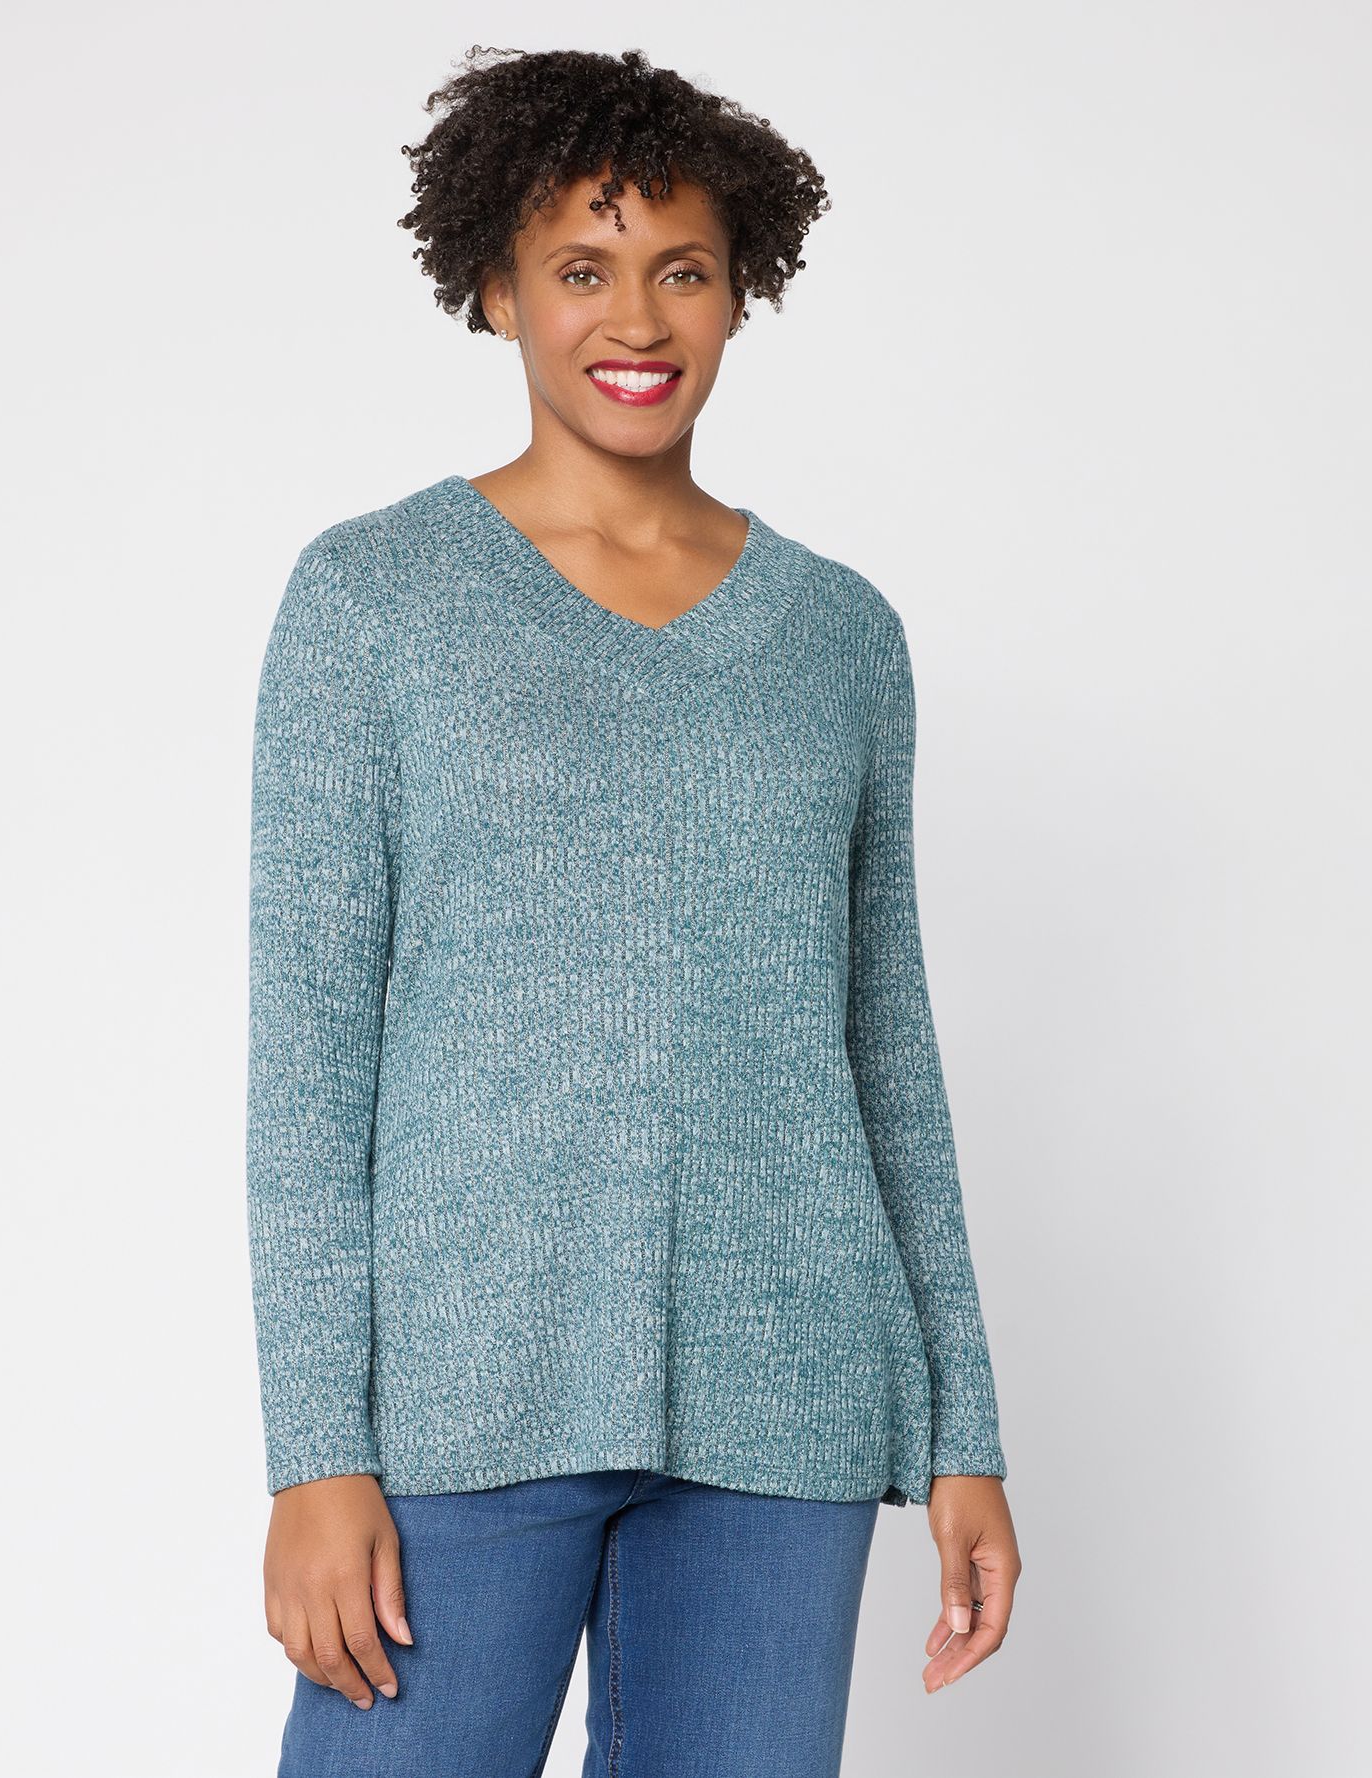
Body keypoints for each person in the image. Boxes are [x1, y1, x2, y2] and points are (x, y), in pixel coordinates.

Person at [246, 44, 1022, 1778]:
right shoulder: (371, 603)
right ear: (496, 289)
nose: (636, 317)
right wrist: (314, 1451)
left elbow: (886, 1048)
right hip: (463, 1397)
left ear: (740, 292)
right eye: (581, 268)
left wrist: (963, 1426)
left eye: (682, 268)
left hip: (785, 1404)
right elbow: (308, 1066)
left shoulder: (840, 637)